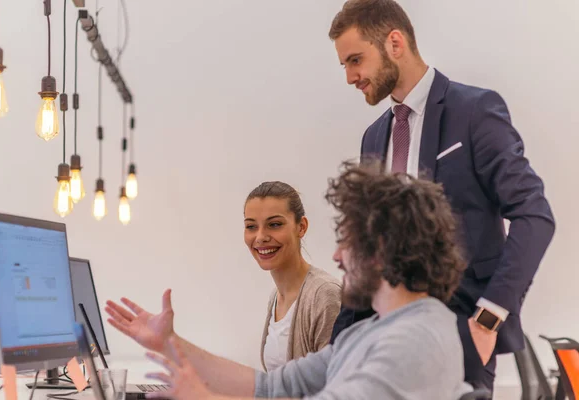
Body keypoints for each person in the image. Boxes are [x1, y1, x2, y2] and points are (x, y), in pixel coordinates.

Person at [327, 0, 556, 390]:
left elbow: (534, 215)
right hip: (379, 336)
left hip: (460, 334)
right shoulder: (374, 136)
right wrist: (340, 343)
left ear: (394, 43)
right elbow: (370, 246)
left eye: (355, 60)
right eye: (344, 65)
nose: (350, 76)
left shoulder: (474, 111)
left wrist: (487, 319)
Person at [105, 161, 470, 400]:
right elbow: (272, 387)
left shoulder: (412, 342)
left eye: (348, 241)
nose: (337, 255)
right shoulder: (375, 331)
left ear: (381, 247)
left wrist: (202, 397)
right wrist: (169, 342)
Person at [244, 181, 341, 370]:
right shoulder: (275, 297)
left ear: (301, 227)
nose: (261, 236)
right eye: (251, 226)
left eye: (274, 224)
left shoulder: (324, 295)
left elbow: (335, 384)